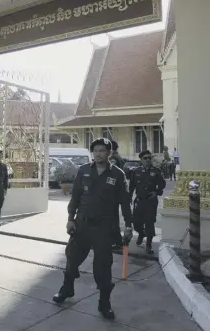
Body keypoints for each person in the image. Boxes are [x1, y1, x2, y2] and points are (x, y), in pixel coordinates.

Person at [52, 137, 133, 320]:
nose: (98, 154)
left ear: (109, 153)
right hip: (82, 225)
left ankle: (104, 303)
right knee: (72, 258)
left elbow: (125, 203)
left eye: (102, 151)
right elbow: (75, 198)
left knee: (102, 267)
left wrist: (128, 226)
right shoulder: (83, 171)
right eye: (95, 150)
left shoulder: (118, 175)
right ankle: (67, 289)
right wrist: (70, 219)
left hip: (104, 228)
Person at [129, 150, 166, 254]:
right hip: (139, 201)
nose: (148, 160)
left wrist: (157, 192)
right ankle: (141, 233)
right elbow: (131, 186)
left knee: (150, 223)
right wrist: (129, 197)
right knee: (136, 223)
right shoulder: (136, 171)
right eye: (145, 158)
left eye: (149, 158)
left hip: (151, 201)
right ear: (141, 160)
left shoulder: (156, 171)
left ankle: (148, 245)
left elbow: (162, 185)